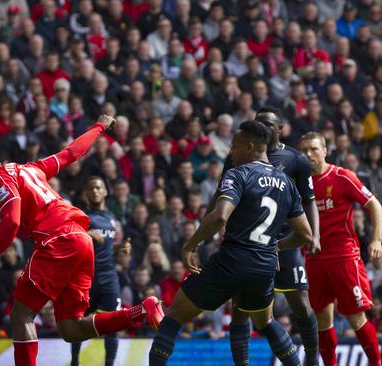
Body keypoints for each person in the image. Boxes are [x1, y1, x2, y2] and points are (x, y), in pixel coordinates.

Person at [0, 114, 163, 366]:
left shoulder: (0, 180)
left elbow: (11, 221)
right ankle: (141, 311)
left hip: (57, 241)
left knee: (21, 316)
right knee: (71, 329)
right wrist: (99, 126)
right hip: (80, 239)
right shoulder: (30, 169)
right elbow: (70, 153)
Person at [149, 121, 313, 365]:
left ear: (250, 147)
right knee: (265, 322)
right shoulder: (287, 183)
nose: (231, 153)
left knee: (174, 315)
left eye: (234, 147)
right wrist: (274, 247)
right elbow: (305, 236)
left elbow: (220, 215)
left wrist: (191, 244)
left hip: (232, 261)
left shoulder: (239, 174)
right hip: (265, 266)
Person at [217, 108, 322, 366]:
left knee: (301, 305)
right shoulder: (240, 154)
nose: (262, 127)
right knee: (240, 310)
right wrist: (217, 224)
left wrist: (314, 234)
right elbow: (220, 196)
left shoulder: (295, 159)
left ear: (280, 128)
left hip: (284, 243)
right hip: (248, 244)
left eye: (267, 124)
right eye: (258, 123)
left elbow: (309, 201)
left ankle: (310, 357)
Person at [299, 132, 382, 366]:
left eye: (314, 149)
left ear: (325, 150)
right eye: (304, 150)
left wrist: (376, 240)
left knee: (356, 317)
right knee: (322, 321)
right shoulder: (299, 183)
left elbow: (375, 205)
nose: (308, 154)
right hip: (314, 259)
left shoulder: (342, 176)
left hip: (344, 257)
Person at [71, 176, 126, 366]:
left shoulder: (112, 218)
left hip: (109, 276)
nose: (95, 191)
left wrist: (121, 249)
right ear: (86, 193)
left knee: (113, 323)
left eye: (98, 188)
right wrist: (87, 233)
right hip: (86, 276)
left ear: (105, 192)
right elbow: (67, 236)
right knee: (77, 323)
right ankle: (75, 362)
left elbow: (108, 246)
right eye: (91, 188)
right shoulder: (81, 216)